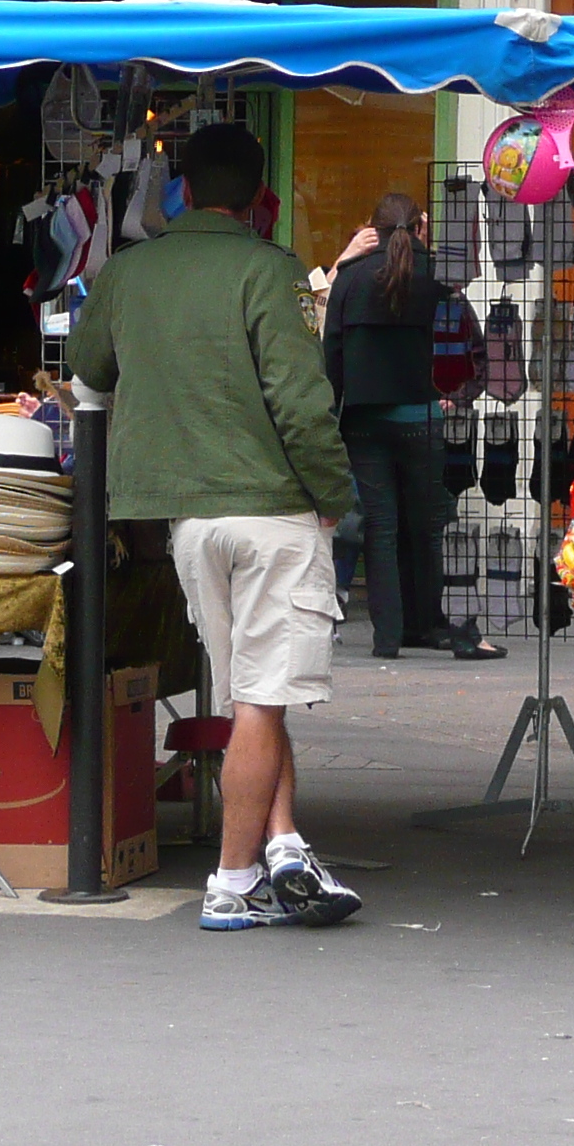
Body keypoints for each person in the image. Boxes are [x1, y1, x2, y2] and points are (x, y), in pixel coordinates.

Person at [71, 122, 367, 932]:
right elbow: (301, 404)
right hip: (274, 509)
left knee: (251, 701)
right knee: (262, 704)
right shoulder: (268, 271)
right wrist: (333, 493)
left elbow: (87, 369)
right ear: (260, 198)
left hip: (188, 517)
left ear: (184, 191)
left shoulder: (129, 273)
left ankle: (282, 848)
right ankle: (232, 883)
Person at [324, 194, 500, 661]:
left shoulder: (350, 278)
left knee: (379, 529)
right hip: (422, 417)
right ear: (421, 226)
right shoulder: (439, 277)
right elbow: (462, 341)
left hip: (363, 419)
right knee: (424, 527)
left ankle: (386, 636)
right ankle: (426, 624)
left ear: (372, 230)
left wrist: (333, 416)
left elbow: (332, 353)